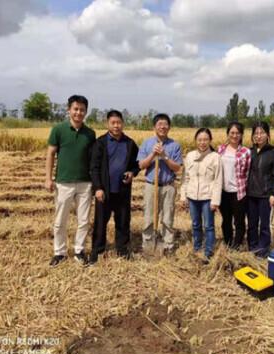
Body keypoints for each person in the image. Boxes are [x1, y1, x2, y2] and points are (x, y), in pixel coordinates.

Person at [45, 95, 96, 267]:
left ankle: (79, 251)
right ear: (69, 110)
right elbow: (50, 154)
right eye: (75, 109)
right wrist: (48, 178)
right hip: (63, 181)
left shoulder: (90, 134)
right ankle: (59, 252)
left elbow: (92, 159)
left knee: (84, 221)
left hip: (84, 183)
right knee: (60, 220)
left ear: (85, 112)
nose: (78, 112)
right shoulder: (58, 130)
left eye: (82, 110)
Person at [89, 110, 140, 264]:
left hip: (123, 191)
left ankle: (122, 250)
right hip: (104, 191)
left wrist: (132, 173)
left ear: (123, 123)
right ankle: (97, 251)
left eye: (119, 122)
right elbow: (94, 167)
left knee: (123, 221)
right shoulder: (100, 143)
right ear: (107, 124)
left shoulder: (130, 144)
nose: (116, 126)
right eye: (113, 123)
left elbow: (136, 164)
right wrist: (97, 188)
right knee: (100, 223)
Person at [137, 114, 183, 253]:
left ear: (169, 127)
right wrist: (153, 154)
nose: (162, 127)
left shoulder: (175, 145)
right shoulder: (147, 143)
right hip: (152, 185)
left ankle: (168, 244)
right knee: (149, 216)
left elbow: (178, 168)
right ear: (154, 127)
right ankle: (148, 243)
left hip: (168, 185)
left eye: (165, 124)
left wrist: (164, 156)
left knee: (168, 217)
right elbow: (141, 165)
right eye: (159, 124)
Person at [180, 128, 223, 262]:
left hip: (207, 197)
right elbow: (185, 178)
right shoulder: (190, 156)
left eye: (205, 139)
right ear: (195, 141)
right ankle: (197, 248)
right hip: (193, 197)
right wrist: (183, 195)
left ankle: (208, 252)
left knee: (209, 226)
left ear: (210, 140)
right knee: (195, 224)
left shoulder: (215, 157)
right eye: (200, 140)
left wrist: (215, 200)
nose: (202, 142)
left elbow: (218, 180)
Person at [246, 121, 274, 258]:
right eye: (256, 133)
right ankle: (253, 247)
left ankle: (263, 250)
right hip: (250, 194)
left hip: (265, 195)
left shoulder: (273, 152)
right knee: (252, 224)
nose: (259, 136)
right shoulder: (249, 152)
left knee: (265, 225)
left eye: (262, 133)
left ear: (267, 135)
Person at [217, 122, 251, 250]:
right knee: (226, 220)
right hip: (223, 191)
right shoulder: (220, 149)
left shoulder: (246, 152)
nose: (235, 135)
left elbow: (248, 172)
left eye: (237, 133)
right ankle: (228, 242)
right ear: (228, 134)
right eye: (232, 132)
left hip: (238, 191)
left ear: (241, 135)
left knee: (239, 221)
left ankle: (237, 245)